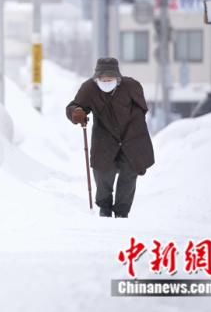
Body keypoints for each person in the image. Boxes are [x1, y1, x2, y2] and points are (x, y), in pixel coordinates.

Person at [65, 57, 154, 218]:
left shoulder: (131, 87)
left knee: (129, 173)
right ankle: (104, 208)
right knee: (102, 171)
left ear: (118, 78)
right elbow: (73, 106)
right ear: (96, 77)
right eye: (103, 79)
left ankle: (122, 212)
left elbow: (142, 108)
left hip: (131, 137)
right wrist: (77, 113)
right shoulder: (89, 89)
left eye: (110, 79)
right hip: (104, 138)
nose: (106, 81)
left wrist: (133, 124)